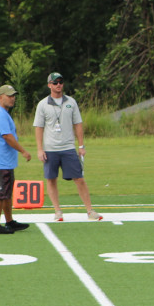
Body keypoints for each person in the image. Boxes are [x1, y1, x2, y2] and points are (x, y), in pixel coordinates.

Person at [33, 72, 101, 221]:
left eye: (61, 82)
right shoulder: (43, 104)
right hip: (50, 148)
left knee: (79, 178)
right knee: (51, 179)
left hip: (68, 146)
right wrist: (39, 149)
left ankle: (90, 211)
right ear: (49, 85)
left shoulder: (71, 102)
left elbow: (78, 124)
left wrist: (81, 145)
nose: (58, 85)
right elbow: (39, 127)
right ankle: (58, 211)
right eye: (55, 82)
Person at [0, 84, 32, 234]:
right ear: (0, 97)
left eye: (13, 96)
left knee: (6, 192)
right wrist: (23, 151)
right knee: (0, 193)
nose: (12, 99)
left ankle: (9, 221)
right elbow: (7, 136)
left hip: (2, 160)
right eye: (9, 96)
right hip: (1, 161)